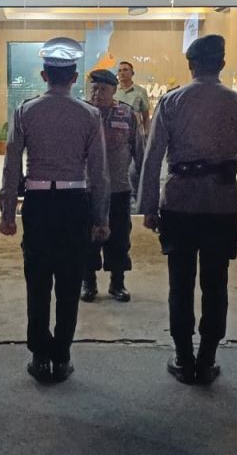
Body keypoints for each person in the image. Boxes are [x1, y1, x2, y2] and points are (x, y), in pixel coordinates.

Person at [139, 34, 237, 386]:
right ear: (221, 64)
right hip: (221, 205)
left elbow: (153, 157)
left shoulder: (172, 101)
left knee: (180, 283)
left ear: (191, 65)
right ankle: (207, 358)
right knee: (216, 283)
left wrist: (149, 206)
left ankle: (183, 356)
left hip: (179, 204)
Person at [0, 37, 110, 384]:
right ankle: (62, 357)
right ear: (74, 77)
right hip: (74, 204)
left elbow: (12, 167)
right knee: (69, 283)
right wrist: (101, 217)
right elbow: (99, 173)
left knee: (37, 281)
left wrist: (7, 213)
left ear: (44, 75)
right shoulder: (90, 115)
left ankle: (39, 356)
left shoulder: (26, 111)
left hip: (38, 206)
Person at [81, 69, 145, 303]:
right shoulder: (81, 113)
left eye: (103, 89)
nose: (97, 94)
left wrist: (143, 185)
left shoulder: (126, 115)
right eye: (94, 89)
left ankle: (117, 282)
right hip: (86, 187)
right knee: (86, 237)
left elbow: (139, 150)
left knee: (119, 237)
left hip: (118, 187)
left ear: (114, 91)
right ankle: (88, 281)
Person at [115, 61, 151, 135]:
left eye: (125, 70)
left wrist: (146, 134)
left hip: (134, 133)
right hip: (116, 133)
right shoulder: (113, 91)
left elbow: (145, 116)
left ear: (132, 73)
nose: (122, 73)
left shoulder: (141, 91)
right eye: (119, 71)